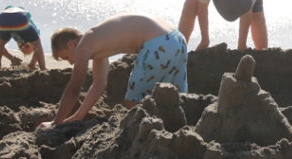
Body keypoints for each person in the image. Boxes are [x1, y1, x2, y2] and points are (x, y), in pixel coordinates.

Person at [39, 14, 188, 128]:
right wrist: (78, 116)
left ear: (71, 44)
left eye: (66, 57)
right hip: (177, 39)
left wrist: (55, 123)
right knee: (175, 97)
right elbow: (98, 85)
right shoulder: (98, 45)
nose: (71, 62)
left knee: (132, 101)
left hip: (159, 43)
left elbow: (74, 88)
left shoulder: (83, 46)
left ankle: (148, 134)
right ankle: (176, 129)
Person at [0, 5, 47, 72]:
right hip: (19, 18)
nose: (23, 46)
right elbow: (38, 47)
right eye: (27, 45)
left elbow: (0, 48)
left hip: (3, 18)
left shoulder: (13, 31)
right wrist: (32, 64)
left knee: (0, 43)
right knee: (37, 42)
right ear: (32, 45)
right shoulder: (30, 25)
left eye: (21, 47)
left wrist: (12, 58)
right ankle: (43, 69)